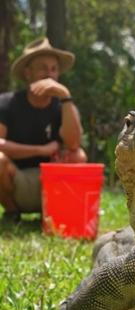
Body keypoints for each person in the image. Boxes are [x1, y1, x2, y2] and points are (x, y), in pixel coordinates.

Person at [0, 37, 87, 221]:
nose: (49, 74)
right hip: (16, 181)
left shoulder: (63, 106)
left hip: (51, 182)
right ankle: (11, 211)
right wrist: (41, 150)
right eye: (43, 68)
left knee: (78, 156)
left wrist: (66, 97)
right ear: (27, 73)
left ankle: (55, 212)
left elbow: (74, 143)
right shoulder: (7, 103)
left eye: (54, 69)